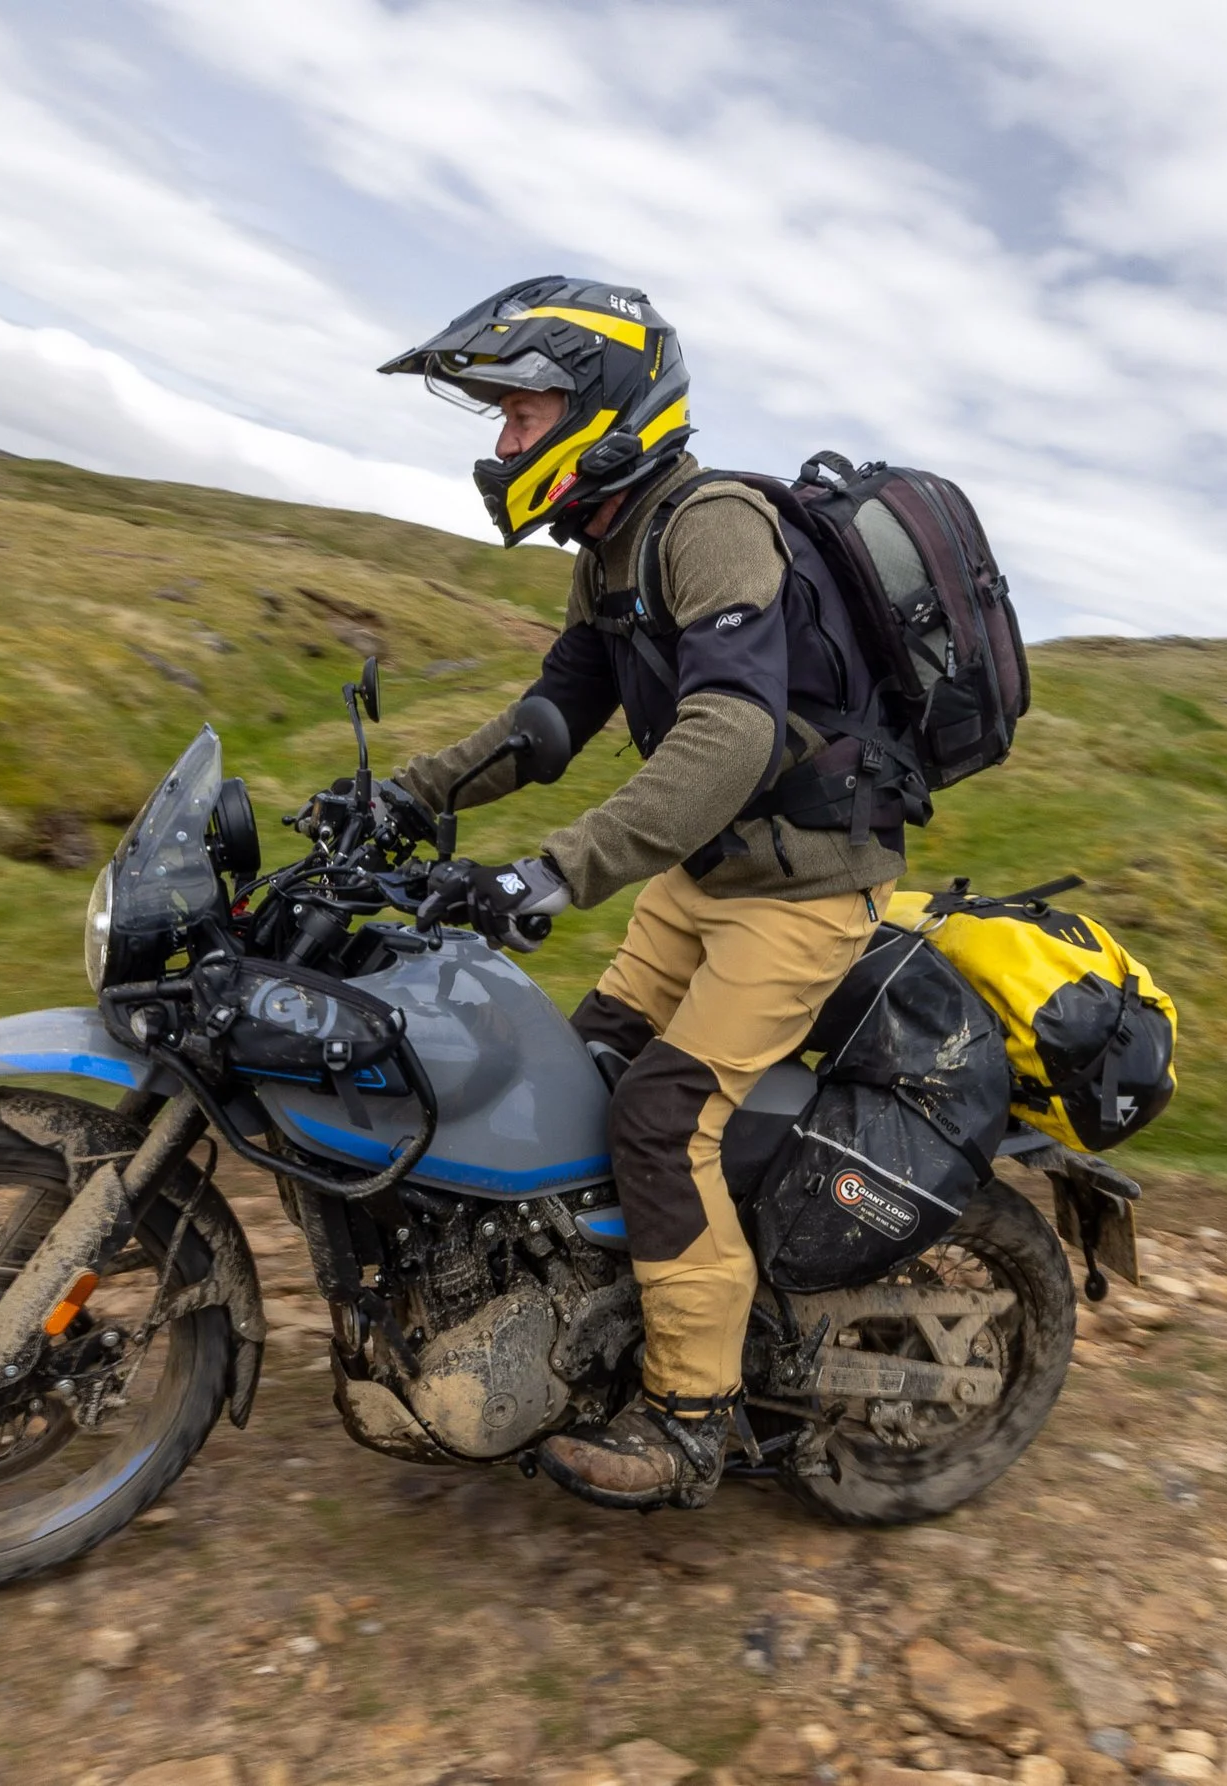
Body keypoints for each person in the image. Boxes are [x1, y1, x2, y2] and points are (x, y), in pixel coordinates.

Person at [377, 277, 906, 1510]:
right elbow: (554, 717)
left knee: (663, 1123)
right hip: (701, 877)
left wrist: (553, 871)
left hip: (800, 896)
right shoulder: (612, 549)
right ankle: (588, 1323)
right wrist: (408, 794)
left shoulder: (709, 525)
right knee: (574, 1085)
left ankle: (690, 1416)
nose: (503, 442)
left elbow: (728, 734)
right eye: (502, 420)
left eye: (522, 413)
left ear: (602, 408)